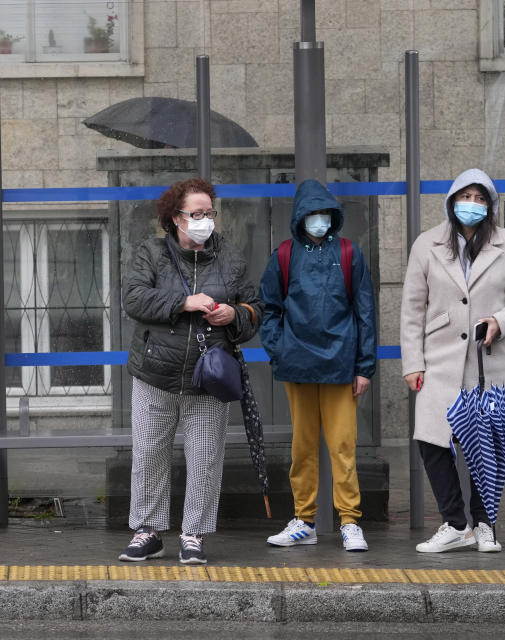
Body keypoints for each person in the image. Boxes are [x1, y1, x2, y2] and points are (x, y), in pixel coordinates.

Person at [120, 177, 263, 565]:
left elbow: (255, 310)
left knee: (204, 458)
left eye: (209, 212)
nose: (204, 219)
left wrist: (235, 314)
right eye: (195, 213)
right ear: (175, 217)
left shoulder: (230, 258)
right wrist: (184, 302)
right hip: (155, 375)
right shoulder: (151, 252)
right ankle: (147, 532)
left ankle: (193, 535)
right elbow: (133, 298)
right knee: (149, 454)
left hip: (208, 379)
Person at [399, 168, 505, 554]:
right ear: (451, 200)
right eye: (466, 196)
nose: (472, 205)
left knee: (488, 443)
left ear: (490, 205)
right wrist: (413, 362)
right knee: (432, 440)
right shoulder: (426, 245)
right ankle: (456, 523)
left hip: (488, 362)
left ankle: (485, 524)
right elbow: (412, 308)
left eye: (480, 199)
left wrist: (501, 320)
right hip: (439, 359)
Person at [260, 179, 377, 552]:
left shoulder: (348, 253)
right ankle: (303, 519)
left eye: (324, 213)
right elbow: (269, 309)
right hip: (297, 365)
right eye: (312, 214)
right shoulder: (283, 255)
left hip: (341, 366)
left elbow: (365, 313)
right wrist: (280, 350)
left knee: (343, 446)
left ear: (333, 215)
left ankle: (349, 521)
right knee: (303, 447)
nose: (318, 220)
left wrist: (364, 367)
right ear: (299, 217)